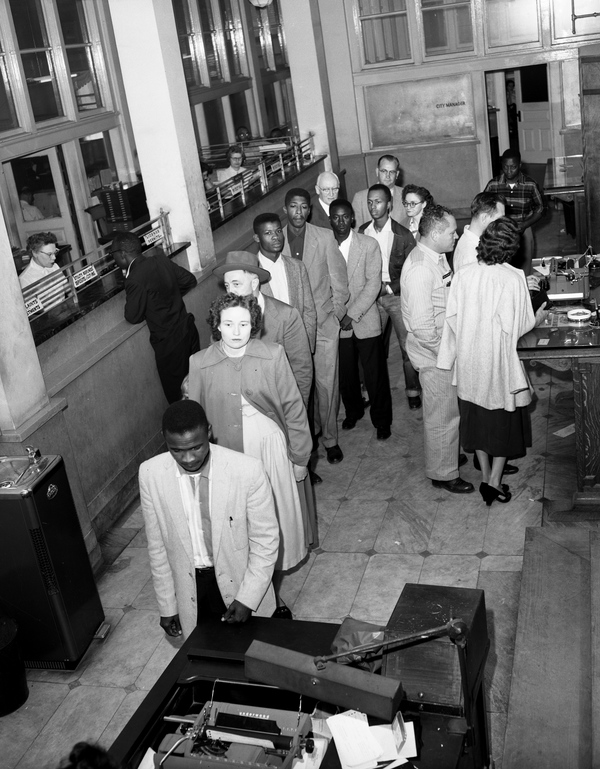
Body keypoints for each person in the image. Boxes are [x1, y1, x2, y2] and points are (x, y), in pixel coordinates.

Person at [185, 293, 313, 618]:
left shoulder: (273, 354)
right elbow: (195, 420)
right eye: (228, 323)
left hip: (268, 450)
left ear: (254, 324)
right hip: (226, 457)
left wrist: (300, 456)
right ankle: (250, 594)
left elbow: (293, 408)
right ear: (216, 325)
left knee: (273, 523)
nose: (237, 331)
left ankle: (273, 595)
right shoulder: (199, 363)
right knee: (235, 528)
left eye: (243, 323)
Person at [139, 399, 279, 637]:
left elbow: (266, 542)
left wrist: (247, 598)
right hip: (190, 591)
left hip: (242, 583)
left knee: (252, 658)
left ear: (209, 432)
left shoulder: (248, 471)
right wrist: (167, 605)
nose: (188, 459)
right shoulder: (150, 474)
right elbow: (158, 547)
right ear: (165, 440)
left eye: (196, 447)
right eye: (176, 450)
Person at [437, 217, 544, 505]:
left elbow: (452, 320)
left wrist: (448, 359)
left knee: (478, 424)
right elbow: (520, 325)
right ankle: (495, 482)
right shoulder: (513, 277)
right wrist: (539, 318)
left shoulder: (464, 274)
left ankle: (484, 476)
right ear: (511, 248)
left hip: (470, 362)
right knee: (502, 424)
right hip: (497, 364)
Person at [400, 205, 474, 494]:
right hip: (435, 356)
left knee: (448, 413)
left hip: (445, 349)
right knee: (441, 417)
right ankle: (443, 473)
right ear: (433, 233)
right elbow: (421, 327)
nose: (456, 235)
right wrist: (446, 355)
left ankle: (448, 454)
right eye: (451, 231)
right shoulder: (420, 268)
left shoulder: (436, 257)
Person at [281, 187, 349, 464]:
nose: (300, 212)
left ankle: (330, 439)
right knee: (296, 388)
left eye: (304, 207)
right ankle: (306, 440)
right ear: (285, 210)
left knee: (326, 385)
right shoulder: (275, 240)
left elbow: (340, 283)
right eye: (294, 207)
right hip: (290, 330)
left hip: (323, 324)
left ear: (310, 209)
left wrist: (335, 314)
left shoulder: (323, 237)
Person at [213, 250, 313, 408]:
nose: (230, 291)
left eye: (236, 284)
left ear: (254, 283)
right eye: (227, 285)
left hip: (276, 408)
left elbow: (301, 370)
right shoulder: (221, 318)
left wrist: (296, 416)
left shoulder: (286, 316)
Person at [110, 231, 199, 404]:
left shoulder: (134, 279)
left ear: (122, 254)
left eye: (113, 255)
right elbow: (189, 280)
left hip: (170, 345)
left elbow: (133, 316)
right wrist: (170, 296)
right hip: (188, 331)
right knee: (195, 386)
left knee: (178, 396)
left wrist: (155, 302)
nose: (113, 260)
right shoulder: (160, 260)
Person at [330, 198, 393, 440]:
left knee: (375, 374)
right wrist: (339, 315)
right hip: (338, 322)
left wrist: (352, 314)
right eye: (336, 217)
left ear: (353, 218)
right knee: (346, 374)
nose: (341, 221)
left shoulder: (369, 245)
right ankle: (353, 411)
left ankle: (382, 421)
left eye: (346, 216)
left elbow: (373, 284)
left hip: (365, 319)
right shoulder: (326, 246)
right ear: (330, 220)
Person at [359, 184, 421, 410]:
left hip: (394, 296)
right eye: (370, 202)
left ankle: (413, 389)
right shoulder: (362, 231)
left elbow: (411, 271)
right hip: (370, 299)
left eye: (378, 201)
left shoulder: (402, 235)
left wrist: (388, 288)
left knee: (407, 346)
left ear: (389, 205)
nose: (373, 206)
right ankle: (370, 391)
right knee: (370, 348)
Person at [253, 212, 317, 350]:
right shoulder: (251, 271)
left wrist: (307, 345)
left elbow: (309, 310)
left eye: (278, 231)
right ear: (257, 238)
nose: (275, 237)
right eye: (268, 233)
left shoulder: (297, 266)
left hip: (298, 346)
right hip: (267, 349)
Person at [484, 148, 544, 275]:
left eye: (513, 167)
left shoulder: (530, 185)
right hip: (500, 230)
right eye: (505, 167)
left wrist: (525, 224)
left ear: (520, 166)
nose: (509, 171)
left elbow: (540, 209)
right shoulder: (493, 185)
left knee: (525, 264)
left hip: (523, 226)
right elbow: (484, 207)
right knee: (500, 266)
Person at [453, 192, 505, 272]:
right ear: (484, 218)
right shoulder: (471, 255)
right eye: (499, 219)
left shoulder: (475, 241)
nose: (503, 224)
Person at [352, 155, 408, 229]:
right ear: (377, 172)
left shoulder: (407, 195)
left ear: (397, 174)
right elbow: (356, 232)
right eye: (384, 171)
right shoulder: (360, 198)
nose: (388, 176)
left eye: (392, 172)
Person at [19, 232, 68, 311]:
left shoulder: (54, 266)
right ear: (35, 253)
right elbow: (32, 311)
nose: (54, 257)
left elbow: (66, 286)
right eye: (49, 254)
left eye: (55, 252)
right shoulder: (25, 279)